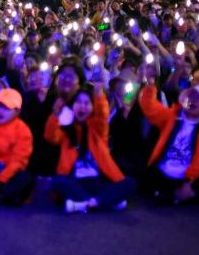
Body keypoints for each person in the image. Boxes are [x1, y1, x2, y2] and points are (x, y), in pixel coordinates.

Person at [45, 85, 135, 213]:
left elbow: (102, 115)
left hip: (99, 182)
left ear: (93, 108)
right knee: (57, 181)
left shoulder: (97, 129)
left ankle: (82, 204)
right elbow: (51, 137)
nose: (82, 106)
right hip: (76, 182)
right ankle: (103, 202)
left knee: (130, 182)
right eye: (79, 102)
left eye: (87, 103)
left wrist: (98, 93)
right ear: (72, 106)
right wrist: (55, 114)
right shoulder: (66, 130)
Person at [138, 83, 199, 204]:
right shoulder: (171, 116)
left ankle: (173, 195)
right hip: (163, 171)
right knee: (143, 177)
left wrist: (189, 182)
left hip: (186, 176)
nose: (194, 101)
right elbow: (149, 107)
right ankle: (176, 197)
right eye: (192, 96)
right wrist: (150, 85)